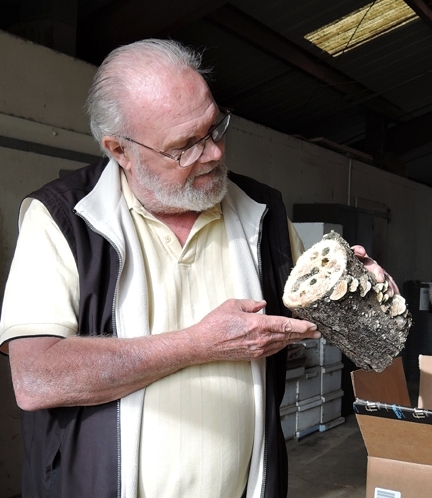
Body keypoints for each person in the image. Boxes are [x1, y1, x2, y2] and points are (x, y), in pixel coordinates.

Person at [0, 39, 398, 498]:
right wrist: (198, 344)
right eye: (184, 146)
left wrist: (361, 296)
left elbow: (316, 319)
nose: (212, 154)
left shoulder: (261, 211)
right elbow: (35, 379)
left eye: (213, 128)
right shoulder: (62, 218)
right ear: (120, 151)